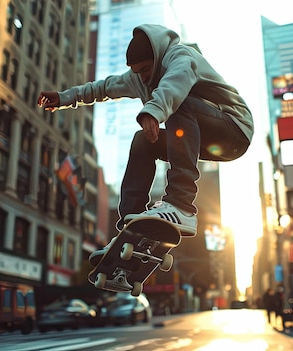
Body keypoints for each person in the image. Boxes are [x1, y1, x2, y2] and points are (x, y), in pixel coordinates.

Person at [37, 24, 254, 265]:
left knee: (179, 101)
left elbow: (175, 84)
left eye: (146, 70)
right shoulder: (138, 78)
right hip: (201, 136)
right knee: (143, 141)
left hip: (233, 129)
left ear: (158, 57)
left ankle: (181, 204)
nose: (143, 77)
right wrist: (65, 97)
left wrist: (153, 111)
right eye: (137, 72)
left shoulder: (181, 57)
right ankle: (131, 225)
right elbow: (102, 88)